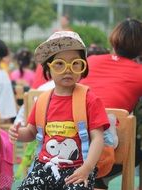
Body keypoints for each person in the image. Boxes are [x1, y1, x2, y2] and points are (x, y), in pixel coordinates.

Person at [9, 31, 110, 190]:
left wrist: (87, 168)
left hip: (78, 169)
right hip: (43, 167)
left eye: (75, 63)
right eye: (59, 63)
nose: (67, 69)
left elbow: (98, 138)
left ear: (83, 67)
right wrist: (18, 133)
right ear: (48, 69)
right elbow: (31, 132)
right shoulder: (42, 100)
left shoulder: (90, 100)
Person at [80, 18, 142, 190]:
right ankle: (99, 181)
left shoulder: (91, 61)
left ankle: (96, 181)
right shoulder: (139, 73)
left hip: (72, 140)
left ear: (113, 39)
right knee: (136, 148)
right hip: (109, 149)